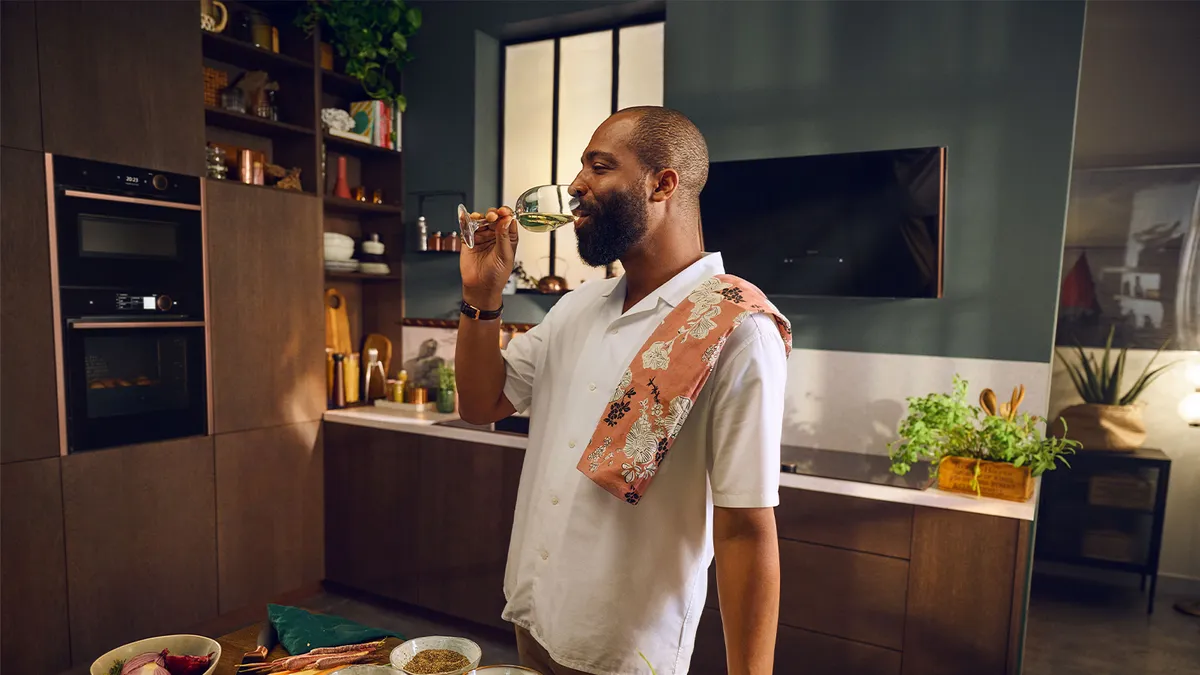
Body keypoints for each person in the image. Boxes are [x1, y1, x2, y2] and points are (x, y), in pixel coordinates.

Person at [455, 106, 788, 675]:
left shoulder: (736, 328)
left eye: (599, 166)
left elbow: (744, 531)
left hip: (623, 648)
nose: (577, 185)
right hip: (534, 616)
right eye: (580, 168)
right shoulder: (578, 307)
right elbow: (480, 403)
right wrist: (482, 297)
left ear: (663, 184)